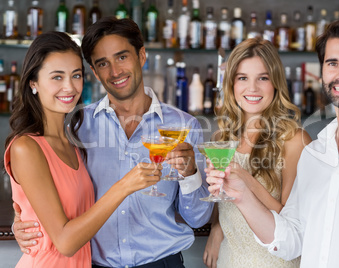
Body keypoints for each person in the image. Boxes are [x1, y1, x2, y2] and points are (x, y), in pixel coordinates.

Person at [12, 17, 213, 267]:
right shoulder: (77, 126)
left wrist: (190, 173)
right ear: (94, 72)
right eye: (103, 63)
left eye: (122, 57)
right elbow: (56, 189)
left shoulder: (184, 127)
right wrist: (26, 218)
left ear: (141, 56)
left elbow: (197, 219)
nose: (115, 71)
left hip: (163, 262)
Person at [207, 18, 339, 268]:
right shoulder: (316, 153)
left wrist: (247, 182)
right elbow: (291, 238)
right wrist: (239, 195)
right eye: (332, 63)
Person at [3, 31, 163, 267]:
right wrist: (124, 186)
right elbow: (65, 243)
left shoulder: (73, 142)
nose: (69, 87)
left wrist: (24, 217)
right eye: (57, 77)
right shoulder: (26, 147)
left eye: (76, 75)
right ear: (33, 82)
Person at [202, 37, 311, 268]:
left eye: (263, 78)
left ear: (276, 83)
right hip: (228, 260)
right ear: (232, 84)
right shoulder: (222, 140)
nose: (252, 88)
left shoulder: (294, 140)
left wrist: (247, 181)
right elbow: (222, 200)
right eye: (243, 78)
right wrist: (216, 228)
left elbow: (291, 224)